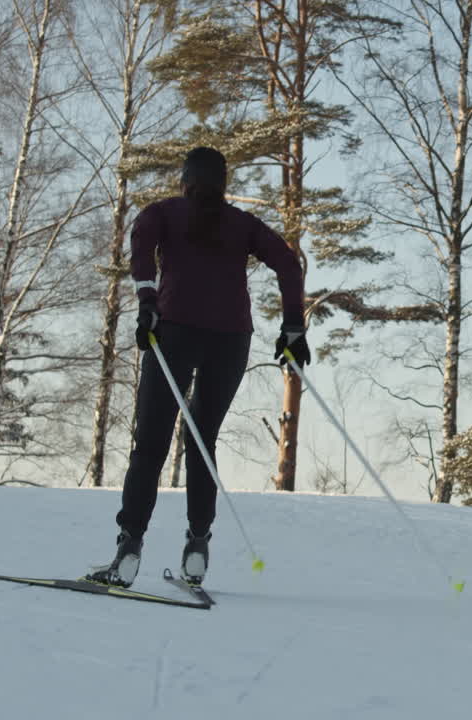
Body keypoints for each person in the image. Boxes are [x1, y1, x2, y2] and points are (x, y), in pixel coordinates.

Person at [88, 147, 311, 588]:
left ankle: (129, 547)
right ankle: (197, 547)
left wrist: (148, 303)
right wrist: (292, 328)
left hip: (173, 334)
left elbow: (140, 246)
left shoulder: (164, 213)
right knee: (202, 440)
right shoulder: (242, 225)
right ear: (223, 185)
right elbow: (288, 263)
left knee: (150, 445)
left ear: (185, 180)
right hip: (230, 341)